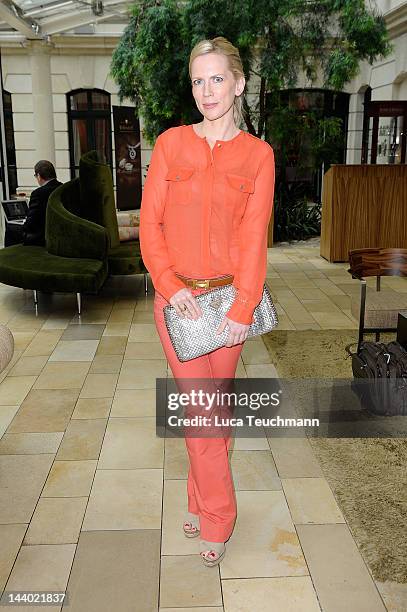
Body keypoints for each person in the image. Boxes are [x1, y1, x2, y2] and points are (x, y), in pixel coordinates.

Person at [139, 36, 275, 567]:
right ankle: (220, 514)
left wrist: (244, 306)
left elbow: (253, 236)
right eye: (198, 80)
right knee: (203, 415)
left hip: (228, 307)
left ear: (238, 84)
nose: (206, 91)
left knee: (212, 412)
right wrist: (170, 289)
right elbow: (151, 224)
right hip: (179, 305)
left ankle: (199, 497)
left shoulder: (257, 155)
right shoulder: (171, 144)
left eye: (217, 78)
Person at [4, 160, 62, 247]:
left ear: (39, 176)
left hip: (41, 236)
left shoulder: (38, 193)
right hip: (58, 232)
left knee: (11, 229)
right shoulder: (62, 188)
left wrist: (24, 224)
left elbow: (31, 223)